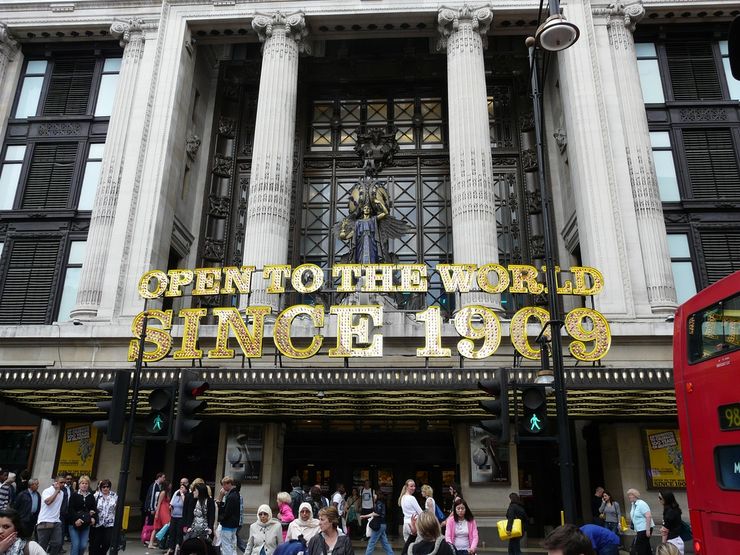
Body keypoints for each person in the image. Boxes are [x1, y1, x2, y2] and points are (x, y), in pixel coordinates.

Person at [36, 475, 68, 555]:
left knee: (57, 544)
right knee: (42, 546)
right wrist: (56, 491)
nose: (63, 484)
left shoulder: (62, 493)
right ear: (55, 482)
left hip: (56, 521)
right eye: (61, 482)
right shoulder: (47, 491)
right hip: (45, 521)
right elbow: (48, 502)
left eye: (64, 482)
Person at [67, 475, 97, 555]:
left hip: (86, 524)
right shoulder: (74, 495)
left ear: (88, 485)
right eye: (82, 483)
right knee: (76, 545)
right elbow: (70, 509)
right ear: (79, 484)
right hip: (74, 524)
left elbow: (94, 509)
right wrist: (76, 519)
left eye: (86, 483)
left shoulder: (91, 496)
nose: (84, 485)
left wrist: (93, 518)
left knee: (83, 546)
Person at [360, 490, 393, 555]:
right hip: (382, 524)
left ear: (377, 495)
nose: (373, 496)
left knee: (371, 542)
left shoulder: (379, 503)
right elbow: (375, 513)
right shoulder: (382, 502)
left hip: (379, 525)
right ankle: (391, 553)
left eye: (375, 494)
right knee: (384, 542)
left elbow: (377, 513)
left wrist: (365, 516)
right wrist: (365, 516)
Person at [89, 479, 116, 555]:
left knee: (107, 542)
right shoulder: (96, 496)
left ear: (110, 487)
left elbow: (118, 508)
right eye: (103, 487)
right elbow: (91, 506)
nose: (105, 488)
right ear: (100, 487)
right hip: (98, 523)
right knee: (96, 543)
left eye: (107, 487)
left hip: (109, 523)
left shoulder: (114, 496)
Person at [217, 476, 240, 555]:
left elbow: (226, 513)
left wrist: (221, 519)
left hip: (227, 525)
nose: (223, 487)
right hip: (234, 525)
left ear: (229, 484)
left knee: (226, 547)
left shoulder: (231, 496)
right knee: (233, 546)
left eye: (224, 484)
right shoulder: (236, 494)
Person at [166, 478, 189, 555]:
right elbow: (171, 504)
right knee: (172, 532)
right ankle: (170, 548)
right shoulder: (176, 492)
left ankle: (178, 548)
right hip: (174, 516)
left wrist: (182, 494)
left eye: (184, 483)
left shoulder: (188, 494)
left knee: (179, 533)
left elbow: (186, 504)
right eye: (181, 483)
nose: (182, 485)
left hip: (181, 517)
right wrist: (171, 510)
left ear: (187, 484)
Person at [626, 488, 652, 555]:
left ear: (635, 495)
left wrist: (648, 530)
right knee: (646, 547)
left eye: (630, 495)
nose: (629, 496)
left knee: (640, 549)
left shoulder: (641, 503)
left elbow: (648, 516)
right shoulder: (633, 504)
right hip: (640, 529)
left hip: (644, 529)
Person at [149, 480, 171, 549]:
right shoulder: (163, 492)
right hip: (162, 510)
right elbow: (159, 503)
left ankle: (161, 542)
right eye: (170, 484)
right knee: (162, 526)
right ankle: (151, 543)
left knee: (162, 526)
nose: (171, 485)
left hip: (166, 510)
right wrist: (157, 513)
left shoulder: (167, 493)